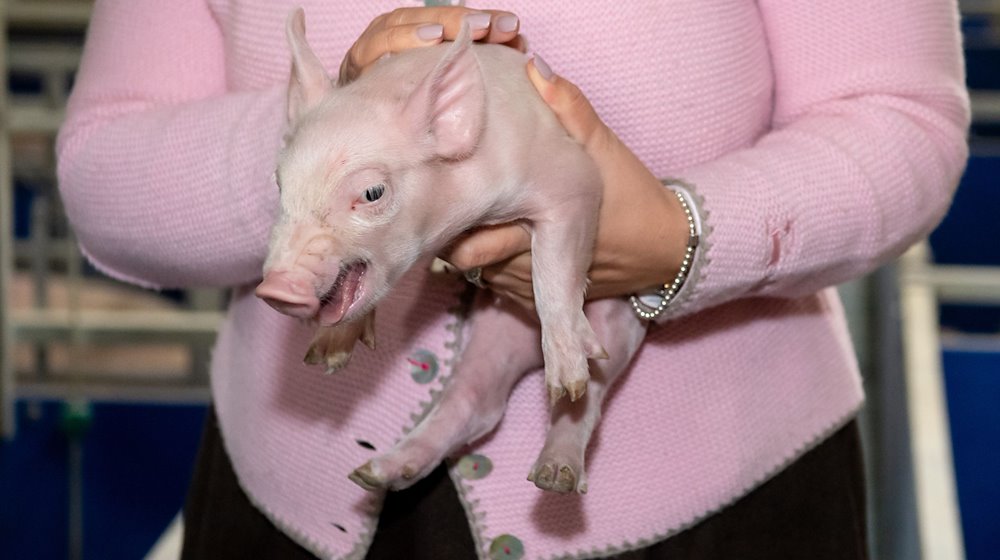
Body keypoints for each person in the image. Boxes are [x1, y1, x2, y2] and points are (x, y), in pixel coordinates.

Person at [56, 1, 969, 558]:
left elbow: (899, 119)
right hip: (292, 505)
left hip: (722, 512)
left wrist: (680, 238)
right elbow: (103, 167)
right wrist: (327, 141)